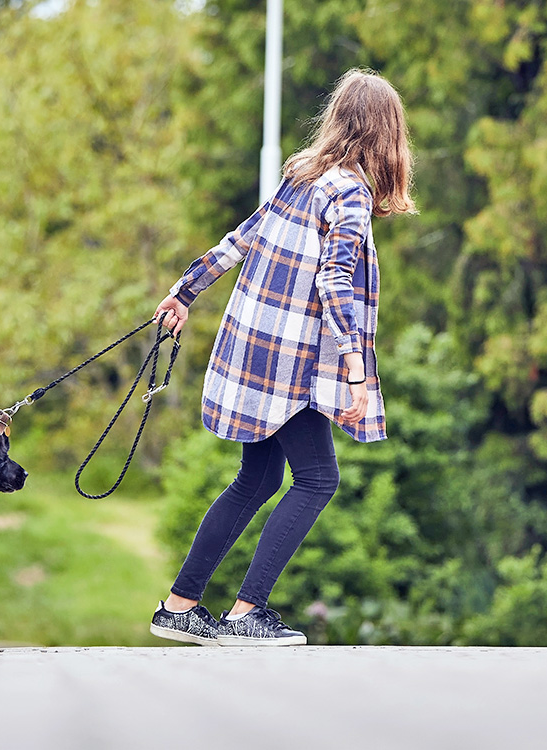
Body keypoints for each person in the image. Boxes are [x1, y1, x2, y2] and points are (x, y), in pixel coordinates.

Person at [150, 69, 415, 647]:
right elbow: (335, 281)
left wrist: (186, 289)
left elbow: (241, 238)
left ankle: (178, 605)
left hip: (255, 349)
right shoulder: (348, 191)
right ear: (385, 133)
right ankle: (248, 613)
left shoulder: (302, 174)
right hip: (295, 360)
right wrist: (355, 369)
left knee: (259, 476)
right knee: (318, 479)